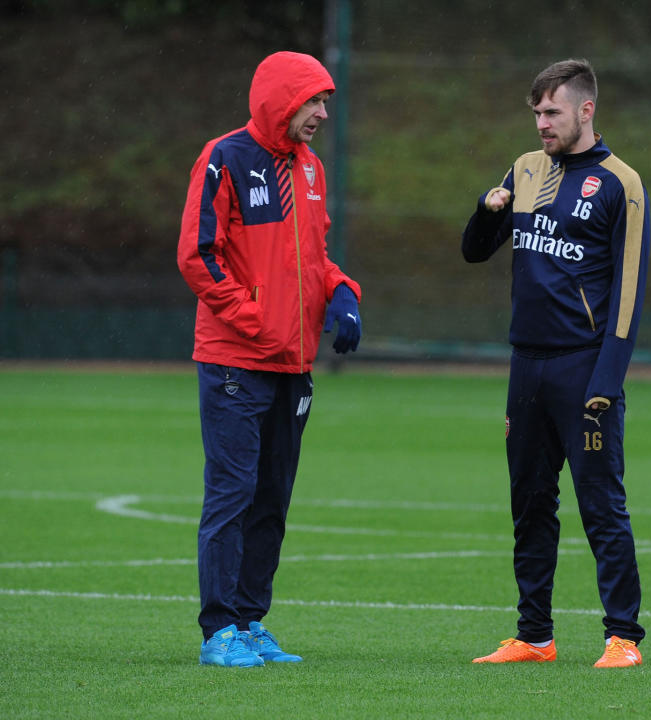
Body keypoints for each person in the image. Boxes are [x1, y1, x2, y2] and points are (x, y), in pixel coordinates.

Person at [462, 59, 650, 668]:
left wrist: (607, 379)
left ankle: (623, 638)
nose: (542, 123)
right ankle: (534, 636)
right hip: (527, 366)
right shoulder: (525, 169)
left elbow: (628, 293)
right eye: (536, 113)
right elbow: (474, 253)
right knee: (530, 503)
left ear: (586, 110)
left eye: (552, 112)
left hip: (583, 369)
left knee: (602, 508)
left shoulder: (621, 183)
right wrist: (488, 210)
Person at [177, 51, 362, 668]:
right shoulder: (224, 158)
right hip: (236, 358)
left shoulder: (310, 170)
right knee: (231, 494)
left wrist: (342, 293)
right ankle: (218, 632)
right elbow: (198, 256)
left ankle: (251, 620)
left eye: (326, 103)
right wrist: (255, 316)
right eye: (313, 101)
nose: (322, 114)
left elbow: (314, 256)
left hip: (294, 363)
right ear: (282, 98)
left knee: (272, 499)